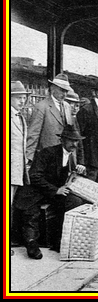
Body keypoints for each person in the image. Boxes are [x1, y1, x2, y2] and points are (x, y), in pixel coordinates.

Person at [13, 125, 88, 259]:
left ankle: (60, 240)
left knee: (75, 201)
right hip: (34, 191)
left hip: (51, 193)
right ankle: (31, 244)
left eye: (76, 141)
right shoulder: (47, 153)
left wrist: (77, 173)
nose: (74, 144)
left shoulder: (71, 157)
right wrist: (56, 190)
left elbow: (63, 177)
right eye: (71, 140)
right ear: (62, 140)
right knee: (32, 214)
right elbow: (35, 176)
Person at [26, 73, 73, 163]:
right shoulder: (42, 106)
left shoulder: (67, 106)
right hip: (47, 157)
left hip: (65, 157)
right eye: (62, 90)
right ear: (52, 88)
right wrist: (29, 157)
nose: (65, 94)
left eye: (66, 91)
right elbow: (33, 134)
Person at [10, 81, 31, 255]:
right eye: (18, 97)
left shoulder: (21, 118)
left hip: (17, 171)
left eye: (24, 98)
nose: (22, 101)